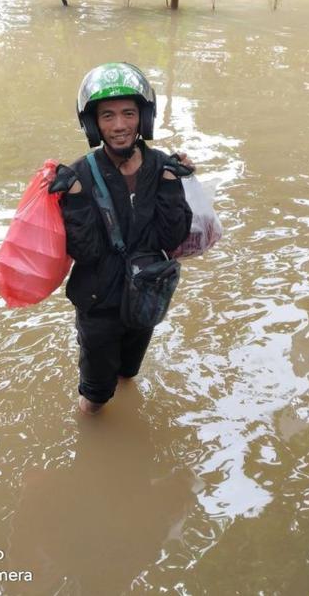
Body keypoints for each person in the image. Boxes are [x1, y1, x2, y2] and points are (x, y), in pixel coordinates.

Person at [50, 63, 193, 415]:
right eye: (107, 115)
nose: (119, 126)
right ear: (93, 124)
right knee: (95, 399)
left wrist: (174, 186)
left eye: (129, 113)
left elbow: (172, 239)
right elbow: (86, 252)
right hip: (98, 305)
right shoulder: (79, 174)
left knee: (129, 373)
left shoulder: (162, 166)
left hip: (146, 294)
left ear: (143, 117)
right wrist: (79, 199)